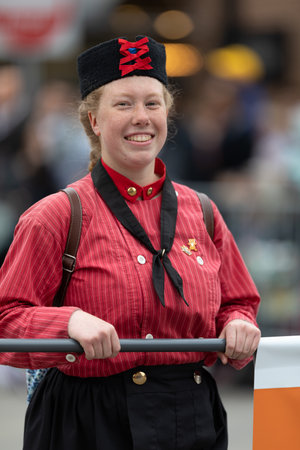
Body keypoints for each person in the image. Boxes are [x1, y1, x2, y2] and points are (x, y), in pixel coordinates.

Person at [0, 35, 261, 450]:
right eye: (123, 104)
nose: (141, 116)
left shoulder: (204, 212)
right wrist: (66, 323)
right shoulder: (56, 215)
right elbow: (6, 316)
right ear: (94, 121)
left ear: (167, 115)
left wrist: (238, 324)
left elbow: (238, 302)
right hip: (87, 423)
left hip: (190, 419)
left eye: (152, 103)